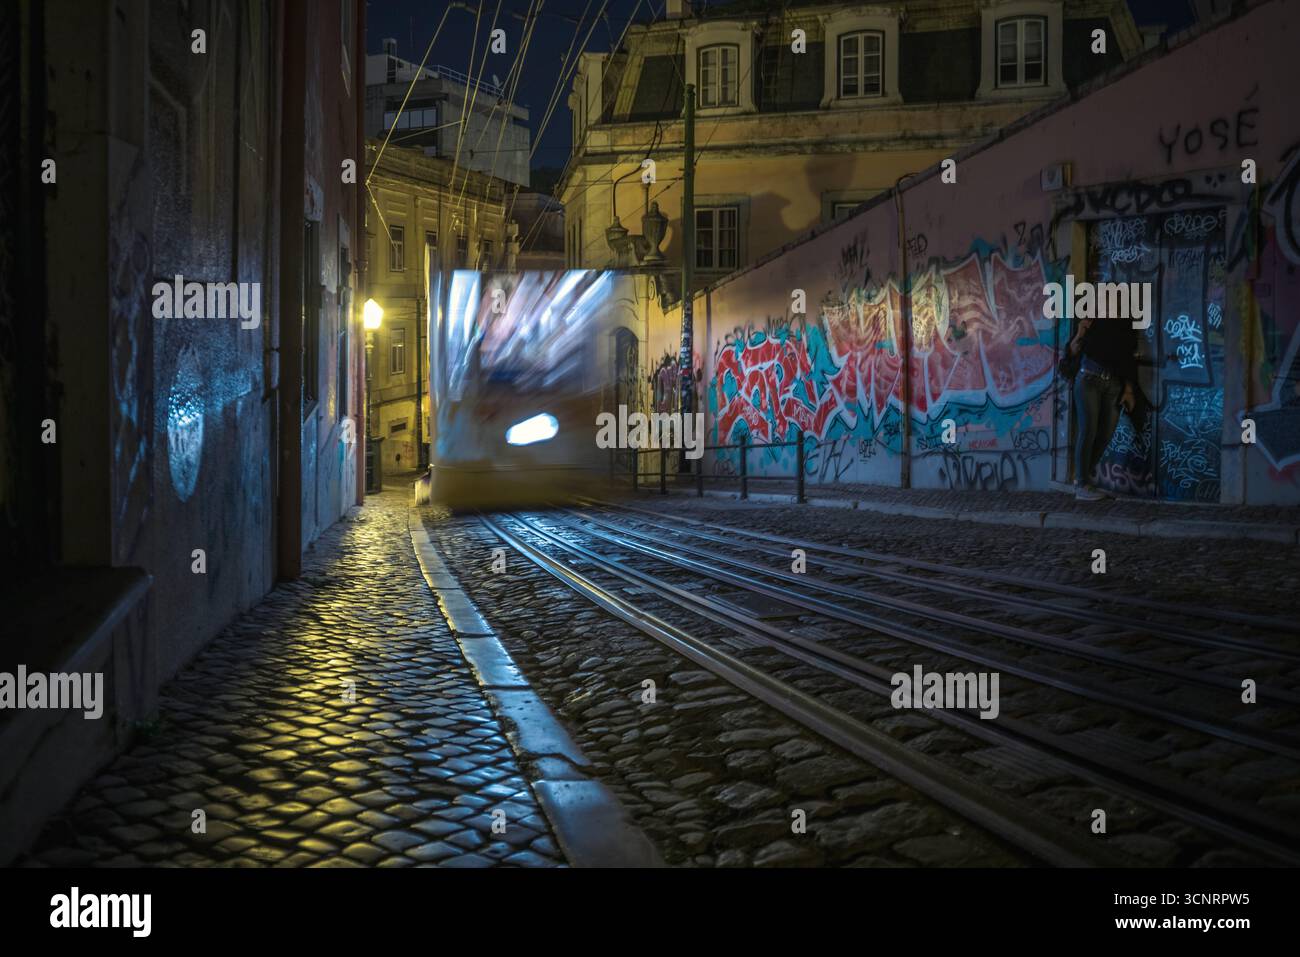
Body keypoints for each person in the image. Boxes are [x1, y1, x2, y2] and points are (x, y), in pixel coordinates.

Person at [1069, 315, 1138, 500]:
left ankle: (1082, 479)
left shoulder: (1126, 324)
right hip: (1089, 379)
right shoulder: (1091, 320)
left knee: (1106, 433)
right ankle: (1082, 483)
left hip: (1114, 385)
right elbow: (1071, 353)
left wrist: (1129, 390)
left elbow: (1129, 357)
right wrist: (1079, 333)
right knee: (1088, 429)